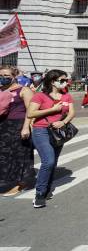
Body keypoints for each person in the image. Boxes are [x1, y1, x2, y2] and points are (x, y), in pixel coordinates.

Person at [26, 69, 75, 208]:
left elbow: (72, 113)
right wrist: (52, 110)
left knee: (53, 162)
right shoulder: (40, 96)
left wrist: (63, 122)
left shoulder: (66, 96)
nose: (65, 82)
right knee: (48, 161)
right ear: (53, 81)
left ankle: (47, 188)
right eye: (62, 80)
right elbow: (30, 113)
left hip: (59, 131)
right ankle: (39, 194)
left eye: (66, 80)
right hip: (41, 130)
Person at [0, 65, 35, 197]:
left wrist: (26, 127)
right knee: (4, 156)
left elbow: (30, 111)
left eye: (6, 76)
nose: (3, 78)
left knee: (18, 156)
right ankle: (7, 179)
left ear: (14, 76)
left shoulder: (24, 90)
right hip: (2, 126)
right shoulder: (1, 90)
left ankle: (19, 184)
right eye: (1, 75)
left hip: (18, 126)